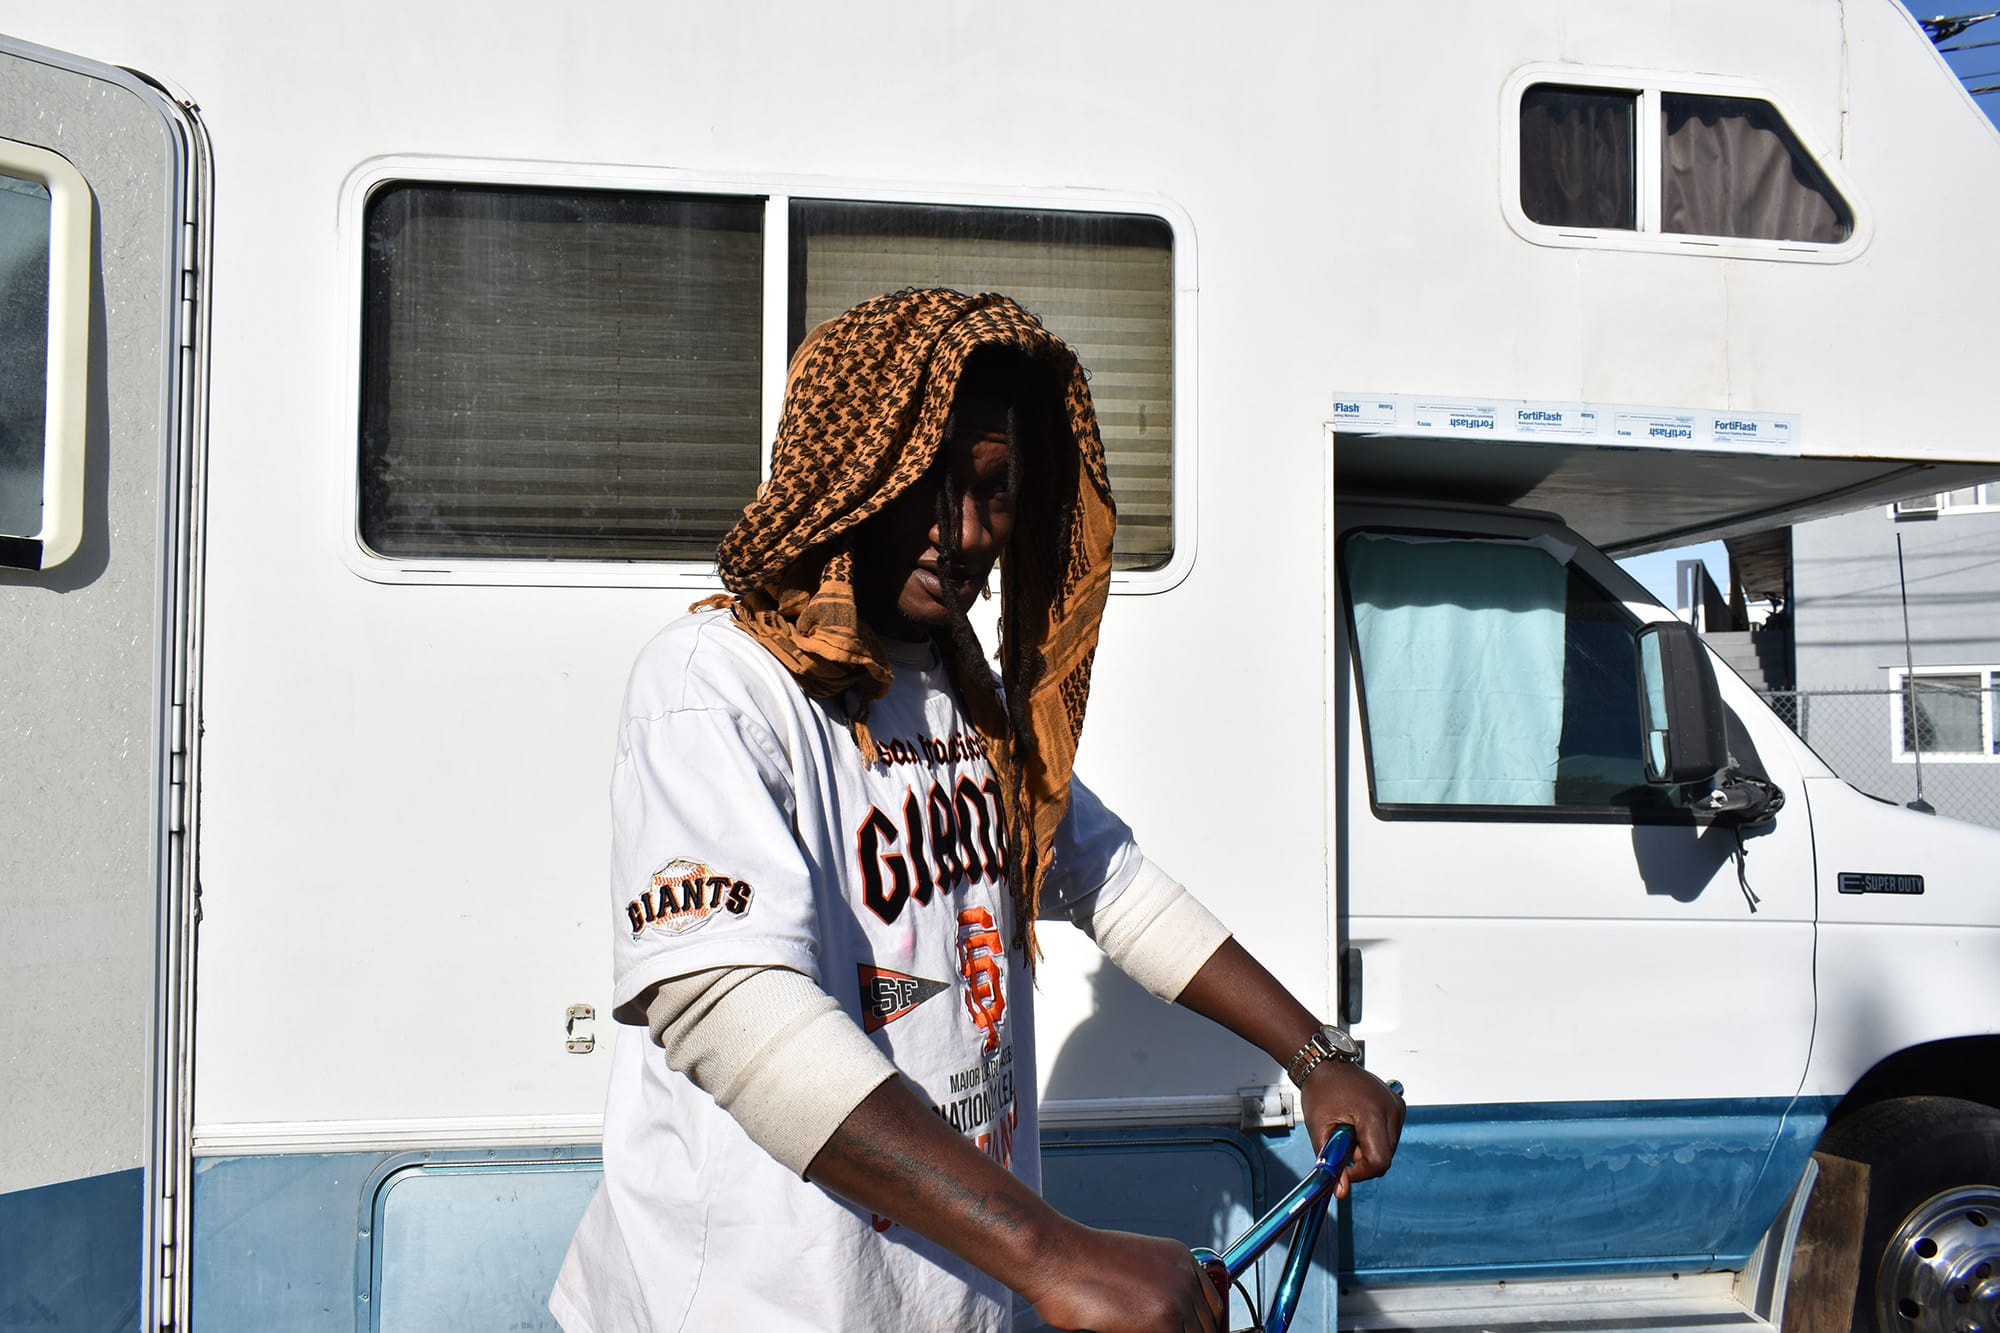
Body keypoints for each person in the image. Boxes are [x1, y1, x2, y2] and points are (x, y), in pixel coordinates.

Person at [549, 288, 1404, 1333]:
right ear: (849, 472)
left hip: (946, 1294)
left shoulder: (964, 697)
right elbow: (729, 1011)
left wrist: (1313, 1056)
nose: (960, 532)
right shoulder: (714, 682)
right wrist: (1056, 1253)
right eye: (927, 484)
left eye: (995, 492)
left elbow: (1111, 882)